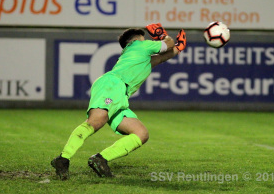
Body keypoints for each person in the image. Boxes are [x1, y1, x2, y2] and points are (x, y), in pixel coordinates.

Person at [51, 23, 187, 180]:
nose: (146, 42)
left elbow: (163, 57)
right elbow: (167, 44)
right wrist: (165, 37)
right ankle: (63, 158)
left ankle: (100, 159)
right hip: (113, 85)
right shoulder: (139, 45)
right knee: (95, 121)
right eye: (144, 40)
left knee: (141, 134)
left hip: (120, 94)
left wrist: (179, 48)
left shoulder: (138, 57)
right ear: (135, 40)